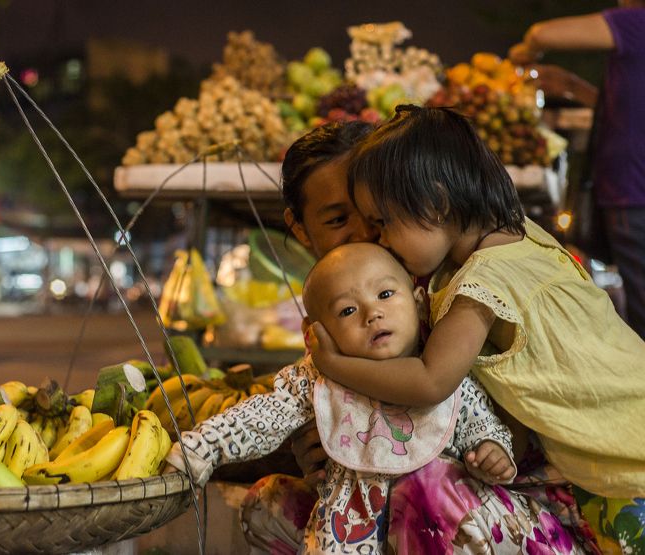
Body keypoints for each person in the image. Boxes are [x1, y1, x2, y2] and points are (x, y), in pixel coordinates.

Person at [306, 105, 645, 552]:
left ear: (437, 204)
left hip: (624, 474)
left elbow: (430, 380)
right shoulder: (525, 237)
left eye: (384, 222)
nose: (380, 239)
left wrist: (333, 363)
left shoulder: (481, 285)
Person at [165, 242, 539, 554]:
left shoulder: (441, 369)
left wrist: (492, 450)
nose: (372, 313)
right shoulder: (317, 379)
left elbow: (479, 421)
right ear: (316, 334)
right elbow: (262, 415)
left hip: (437, 532)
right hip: (348, 524)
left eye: (386, 294)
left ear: (419, 302)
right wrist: (201, 448)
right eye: (347, 310)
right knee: (277, 509)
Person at [508, 3, 645, 339]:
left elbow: (543, 33)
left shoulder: (636, 23)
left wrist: (526, 51)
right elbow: (627, 105)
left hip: (633, 193)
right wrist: (570, 84)